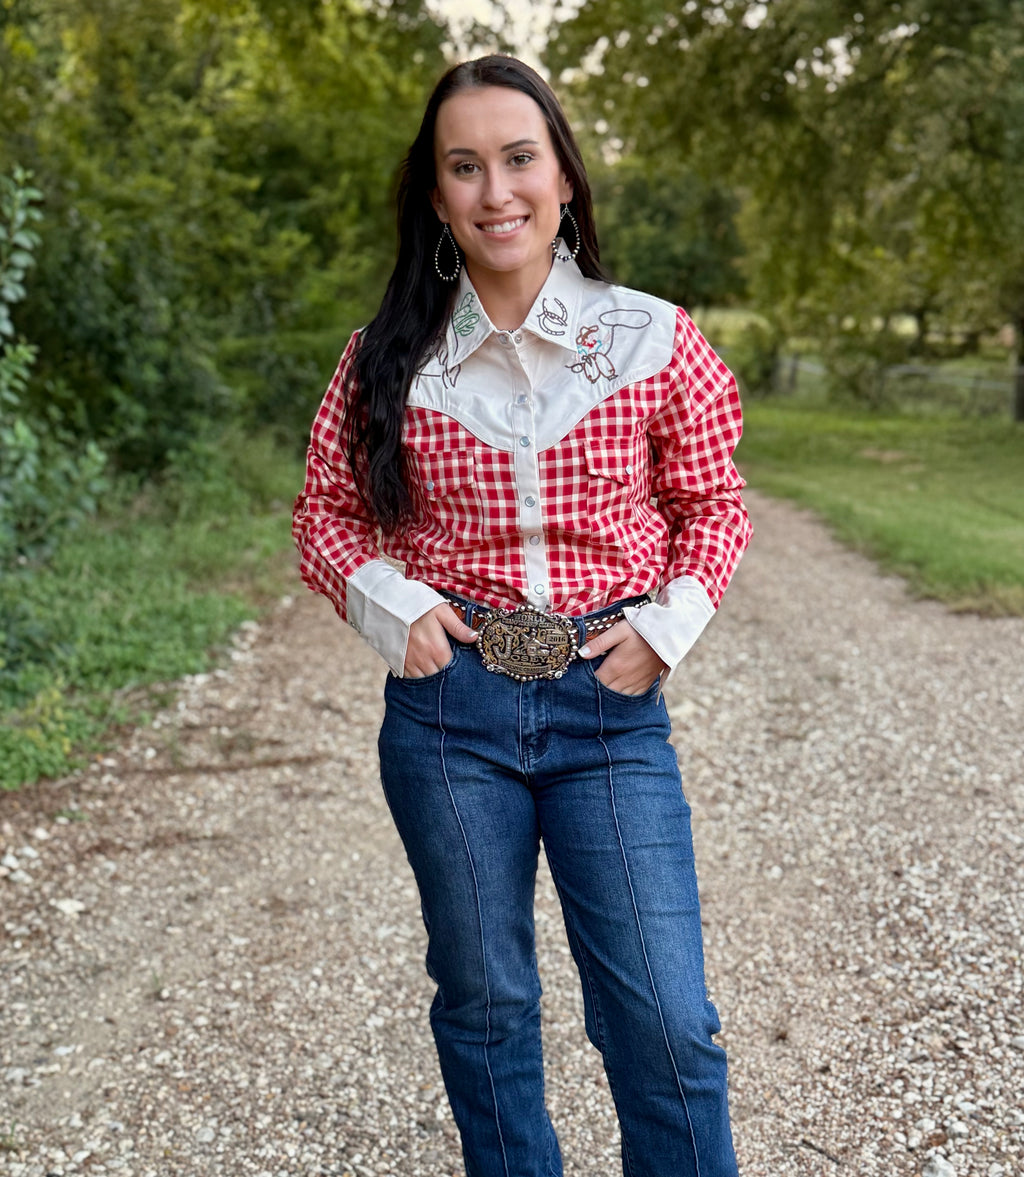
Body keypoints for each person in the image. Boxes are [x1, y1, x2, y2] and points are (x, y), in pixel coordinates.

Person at [292, 53, 751, 1177]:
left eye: (517, 158)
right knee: (487, 1002)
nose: (496, 191)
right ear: (437, 197)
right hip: (450, 719)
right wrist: (392, 605)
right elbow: (325, 516)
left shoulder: (651, 338)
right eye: (464, 167)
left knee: (664, 1015)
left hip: (608, 713)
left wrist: (665, 629)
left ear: (563, 179)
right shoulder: (387, 359)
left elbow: (714, 503)